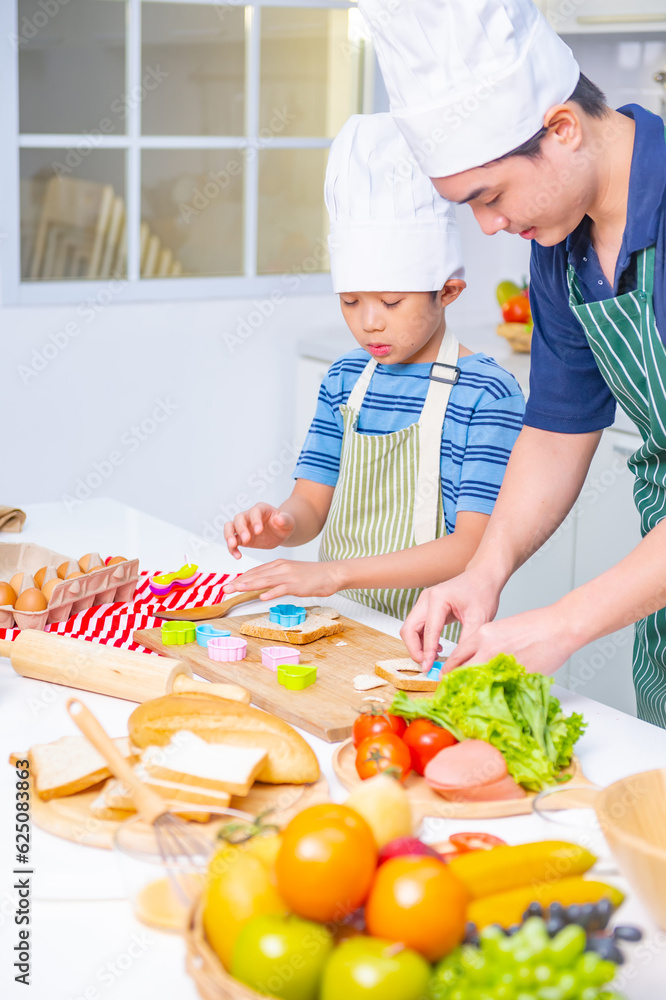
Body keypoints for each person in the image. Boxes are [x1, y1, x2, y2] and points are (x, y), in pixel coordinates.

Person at [359, 0, 666, 726]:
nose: (490, 225)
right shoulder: (561, 241)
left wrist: (564, 622)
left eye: (489, 196)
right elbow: (558, 428)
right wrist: (483, 572)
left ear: (561, 128)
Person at [222, 113, 524, 627]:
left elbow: (473, 547)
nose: (368, 323)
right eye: (351, 301)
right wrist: (280, 525)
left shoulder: (487, 393)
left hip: (435, 636)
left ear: (448, 290)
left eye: (390, 300)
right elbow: (310, 506)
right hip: (340, 623)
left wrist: (335, 574)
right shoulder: (344, 380)